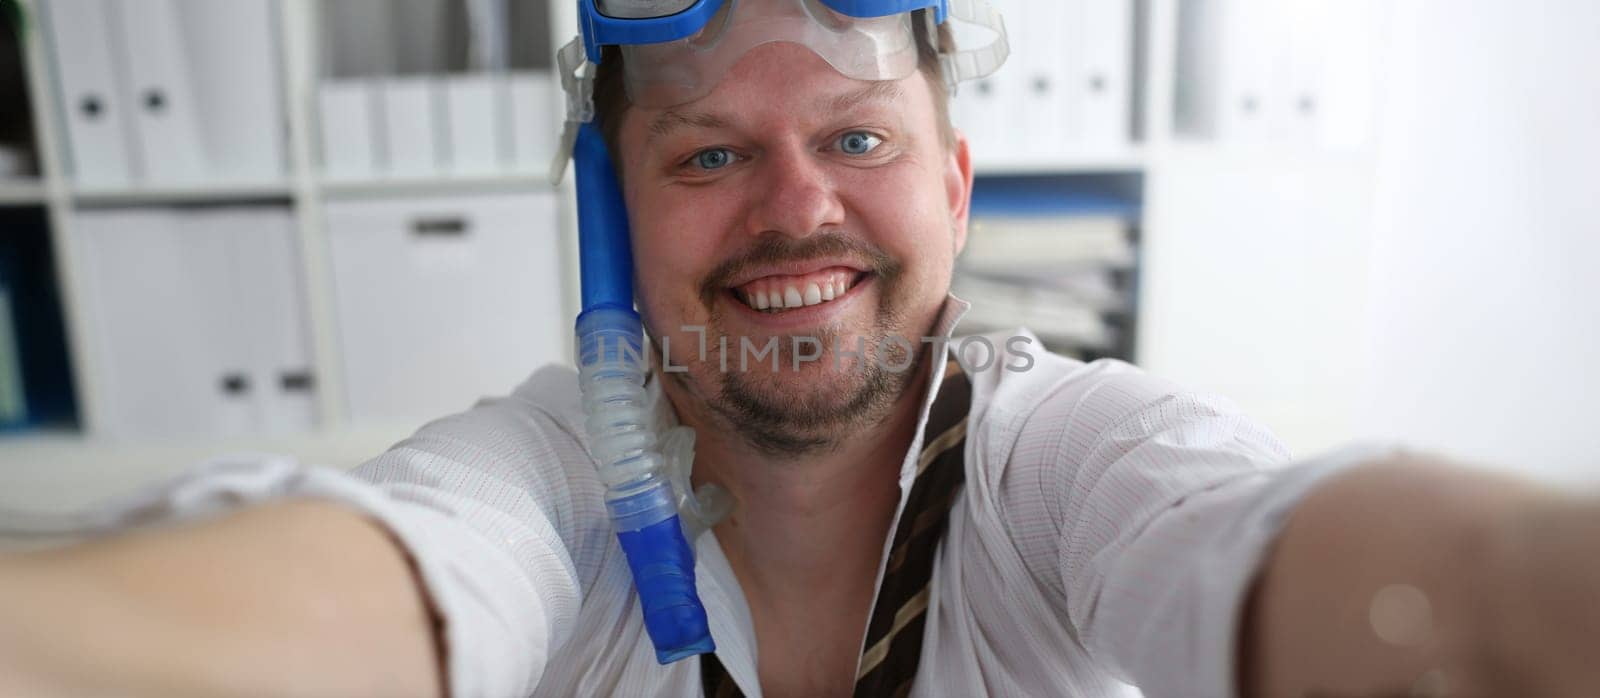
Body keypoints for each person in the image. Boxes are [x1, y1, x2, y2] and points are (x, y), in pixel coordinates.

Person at [2, 1, 1598, 696]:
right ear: (611, 225)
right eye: (705, 155)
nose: (797, 208)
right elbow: (399, 570)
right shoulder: (553, 480)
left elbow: (1269, 538)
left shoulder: (1061, 458)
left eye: (855, 135)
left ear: (956, 192)